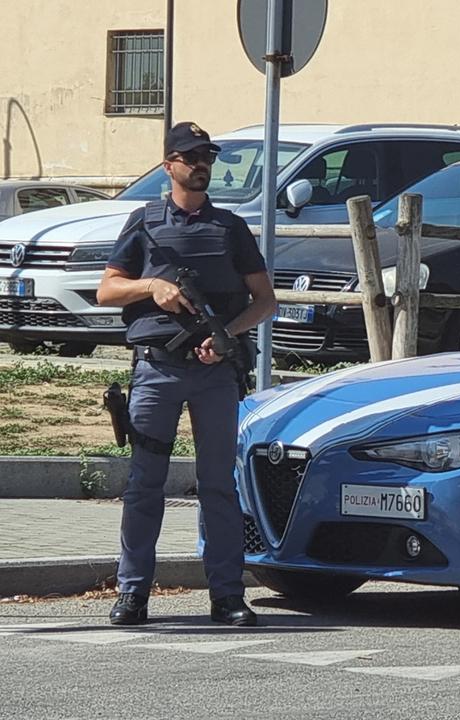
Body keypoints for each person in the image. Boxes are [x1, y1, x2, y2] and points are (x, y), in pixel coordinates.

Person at [97, 122, 276, 626]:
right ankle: (132, 593)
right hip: (156, 370)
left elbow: (265, 301)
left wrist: (226, 340)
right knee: (143, 484)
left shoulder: (230, 228)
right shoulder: (146, 222)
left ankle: (227, 595)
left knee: (219, 485)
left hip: (215, 375)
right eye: (191, 156)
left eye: (207, 157)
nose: (201, 164)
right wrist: (151, 286)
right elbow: (107, 291)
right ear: (169, 163)